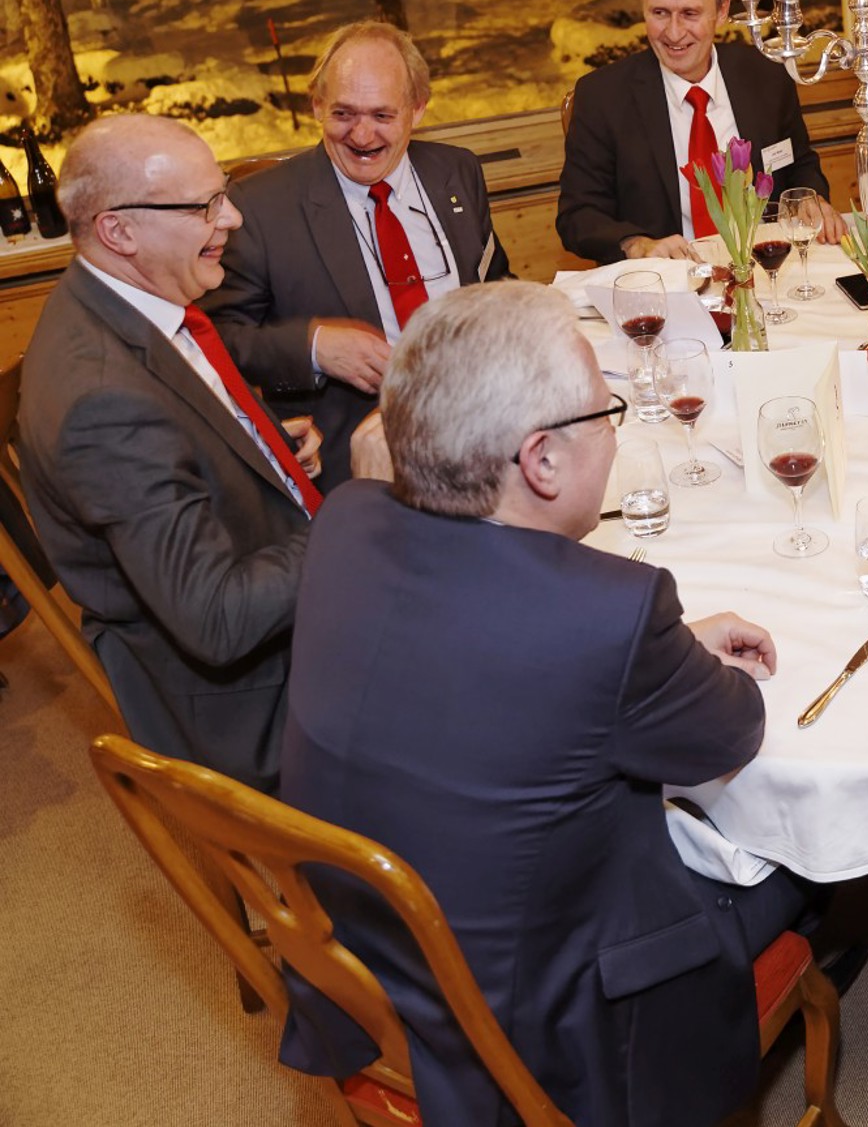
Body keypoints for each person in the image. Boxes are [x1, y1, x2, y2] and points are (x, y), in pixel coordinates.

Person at [277, 281, 811, 1127]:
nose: (614, 432)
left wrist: (656, 653)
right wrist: (657, 656)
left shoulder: (346, 517)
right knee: (804, 860)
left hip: (364, 959)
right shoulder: (608, 613)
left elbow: (492, 646)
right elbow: (731, 731)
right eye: (606, 412)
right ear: (542, 460)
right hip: (542, 1031)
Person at [17, 116, 327, 792]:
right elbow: (219, 620)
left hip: (258, 585)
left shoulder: (121, 301)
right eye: (205, 206)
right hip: (251, 705)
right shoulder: (102, 403)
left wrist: (263, 442)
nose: (233, 218)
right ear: (119, 231)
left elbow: (176, 422)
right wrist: (349, 526)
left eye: (225, 193)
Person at [202, 20, 514, 489]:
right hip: (358, 455)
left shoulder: (456, 170)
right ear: (317, 105)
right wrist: (313, 348)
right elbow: (216, 340)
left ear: (417, 109)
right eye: (343, 114)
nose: (362, 136)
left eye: (382, 116)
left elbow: (495, 281)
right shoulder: (260, 207)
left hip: (488, 424)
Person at [557, 0, 843, 263]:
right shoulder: (603, 97)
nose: (674, 33)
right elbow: (577, 215)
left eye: (689, 14)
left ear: (721, 11)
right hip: (668, 278)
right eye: (660, 13)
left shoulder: (767, 75)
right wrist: (636, 244)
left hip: (765, 266)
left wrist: (810, 198)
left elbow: (799, 163)